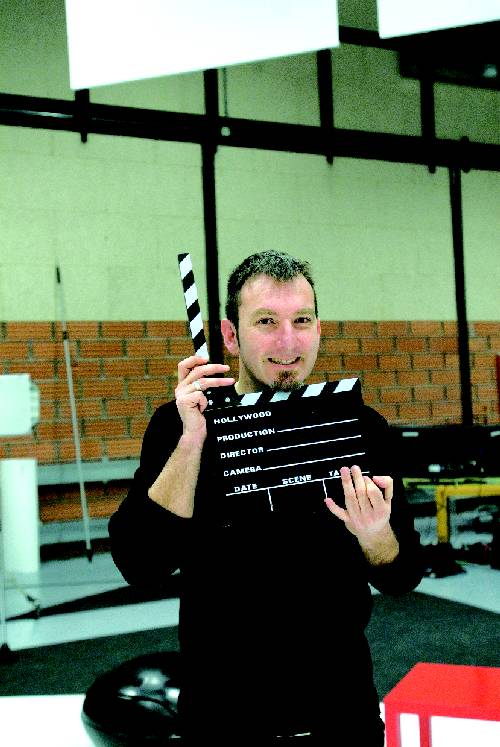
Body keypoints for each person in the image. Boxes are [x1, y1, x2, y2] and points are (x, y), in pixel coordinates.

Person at [109, 250, 424, 744]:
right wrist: (193, 442)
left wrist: (375, 534)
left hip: (342, 715)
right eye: (266, 322)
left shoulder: (360, 429)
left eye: (302, 320)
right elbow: (140, 563)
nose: (288, 341)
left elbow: (402, 576)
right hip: (222, 719)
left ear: (319, 329)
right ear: (231, 335)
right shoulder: (180, 426)